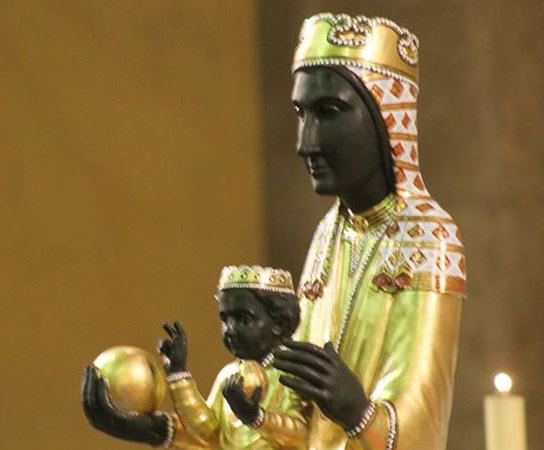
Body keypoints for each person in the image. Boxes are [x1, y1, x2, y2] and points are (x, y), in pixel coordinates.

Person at [271, 13, 467, 450]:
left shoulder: (429, 238)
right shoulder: (328, 233)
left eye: (328, 112)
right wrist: (180, 427)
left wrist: (357, 411)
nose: (305, 143)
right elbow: (293, 412)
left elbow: (423, 427)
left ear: (385, 120)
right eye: (301, 113)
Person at [82, 265, 309, 449]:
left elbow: (303, 437)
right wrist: (178, 374)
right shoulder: (229, 375)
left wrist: (255, 416)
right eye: (225, 319)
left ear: (279, 323)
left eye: (243, 319)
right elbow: (207, 430)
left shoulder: (291, 372)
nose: (230, 330)